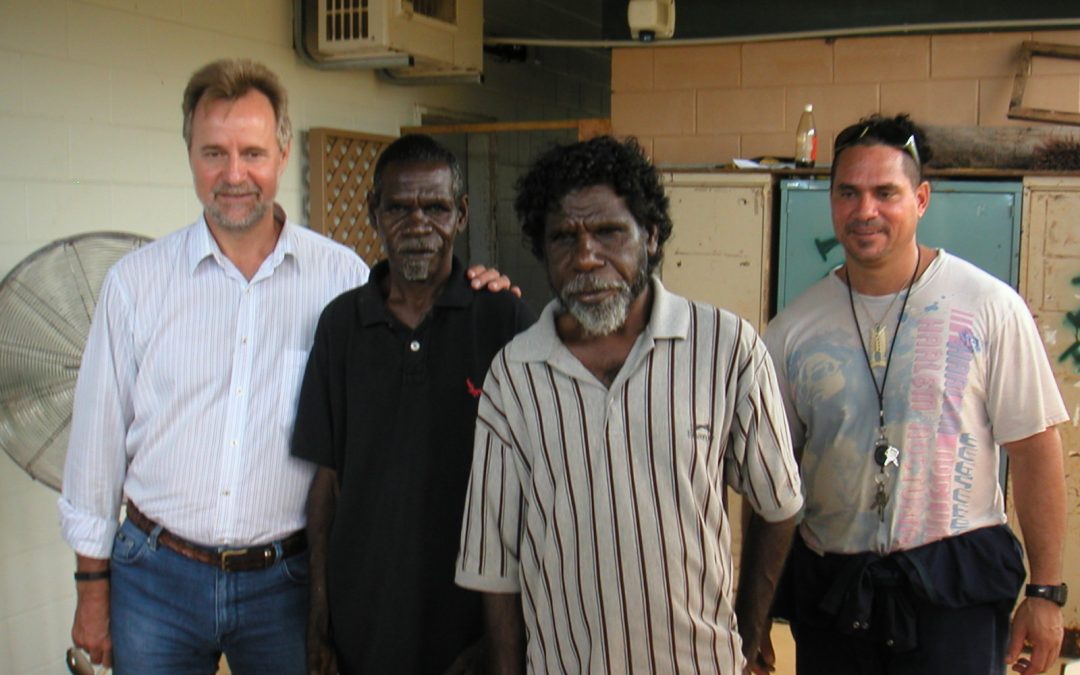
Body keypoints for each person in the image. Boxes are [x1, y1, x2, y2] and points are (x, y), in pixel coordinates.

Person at [58, 59, 510, 674]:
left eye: (251, 151)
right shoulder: (135, 285)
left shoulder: (342, 281)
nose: (234, 174)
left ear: (281, 150)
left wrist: (479, 282)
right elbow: (95, 444)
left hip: (285, 585)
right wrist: (92, 588)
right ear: (189, 153)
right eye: (213, 152)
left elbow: (420, 312)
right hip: (155, 579)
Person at [455, 135, 804, 674]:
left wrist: (748, 634)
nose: (586, 257)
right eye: (563, 238)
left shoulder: (726, 347)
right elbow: (494, 563)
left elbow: (778, 502)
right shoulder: (516, 375)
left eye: (610, 232)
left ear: (653, 237)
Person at [762, 114, 1068, 675]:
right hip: (836, 594)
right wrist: (755, 606)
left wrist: (1046, 593)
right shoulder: (791, 333)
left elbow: (1035, 450)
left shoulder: (989, 309)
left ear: (921, 198)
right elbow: (773, 483)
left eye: (886, 193)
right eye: (848, 193)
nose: (865, 211)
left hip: (955, 591)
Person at [290, 134, 534, 674]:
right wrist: (319, 614)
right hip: (364, 629)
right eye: (398, 208)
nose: (418, 225)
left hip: (472, 627)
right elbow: (327, 482)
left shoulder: (505, 323)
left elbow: (537, 492)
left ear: (462, 214)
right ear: (373, 212)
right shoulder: (340, 326)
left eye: (436, 207)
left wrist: (502, 639)